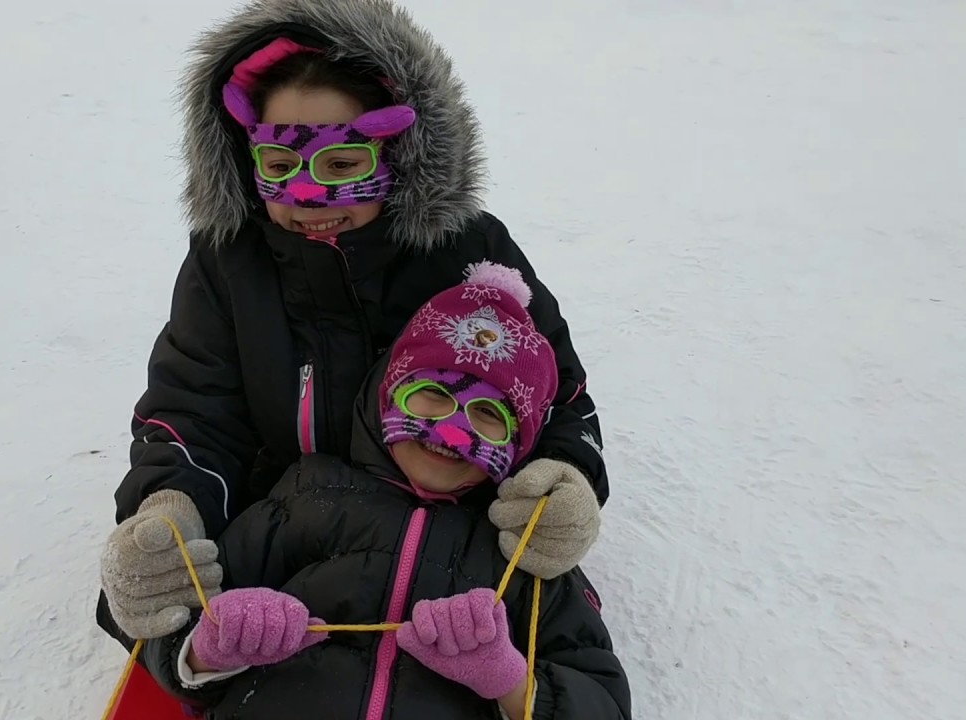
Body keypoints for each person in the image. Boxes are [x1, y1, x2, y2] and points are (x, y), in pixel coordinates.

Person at [98, 0, 610, 648]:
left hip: (448, 530)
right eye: (281, 168)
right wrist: (172, 510)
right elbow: (193, 408)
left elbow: (555, 394)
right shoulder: (229, 264)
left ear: (398, 156)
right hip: (285, 533)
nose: (308, 199)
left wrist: (564, 479)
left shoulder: (465, 249)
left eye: (342, 165)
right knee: (169, 626)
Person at [141, 263, 632, 719]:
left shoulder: (521, 553)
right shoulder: (305, 497)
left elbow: (599, 694)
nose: (452, 433)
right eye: (433, 395)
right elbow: (171, 623)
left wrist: (510, 680)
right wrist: (208, 649)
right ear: (387, 395)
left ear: (519, 443)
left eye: (489, 415)